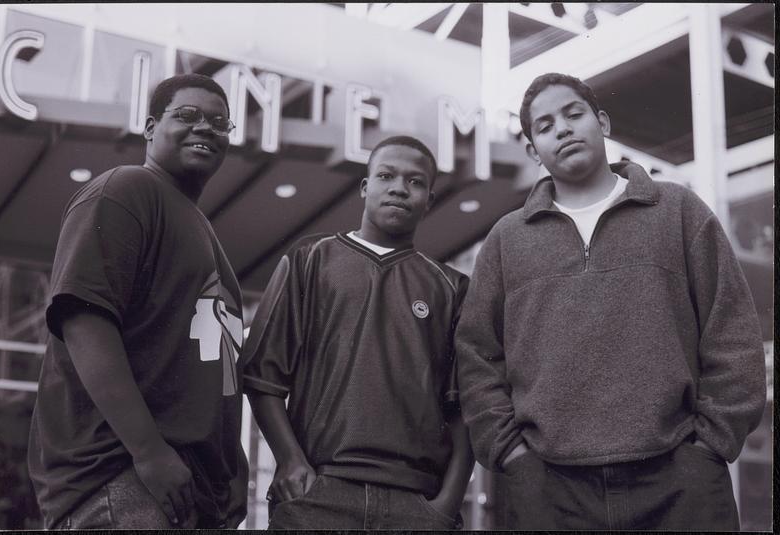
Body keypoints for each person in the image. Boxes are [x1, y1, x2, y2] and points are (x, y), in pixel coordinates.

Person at [455, 73, 766, 530]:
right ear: (532, 151)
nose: (561, 129)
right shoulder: (507, 240)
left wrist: (708, 447)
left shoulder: (679, 211)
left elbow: (733, 331)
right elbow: (477, 356)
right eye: (544, 126)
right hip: (549, 491)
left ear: (601, 121)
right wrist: (513, 455)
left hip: (680, 483)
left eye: (573, 114)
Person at [28, 74, 249, 529]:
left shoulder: (202, 230)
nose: (205, 127)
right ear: (150, 128)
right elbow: (84, 321)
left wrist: (230, 468)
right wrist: (148, 450)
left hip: (188, 487)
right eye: (186, 115)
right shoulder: (126, 190)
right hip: (124, 477)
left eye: (219, 122)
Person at [243, 136, 474, 529]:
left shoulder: (452, 287)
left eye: (416, 182)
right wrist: (290, 460)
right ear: (365, 188)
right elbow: (261, 377)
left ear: (430, 200)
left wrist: (447, 503)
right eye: (386, 175)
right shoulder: (310, 259)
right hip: (320, 491)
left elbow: (466, 411)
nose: (400, 187)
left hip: (415, 500)